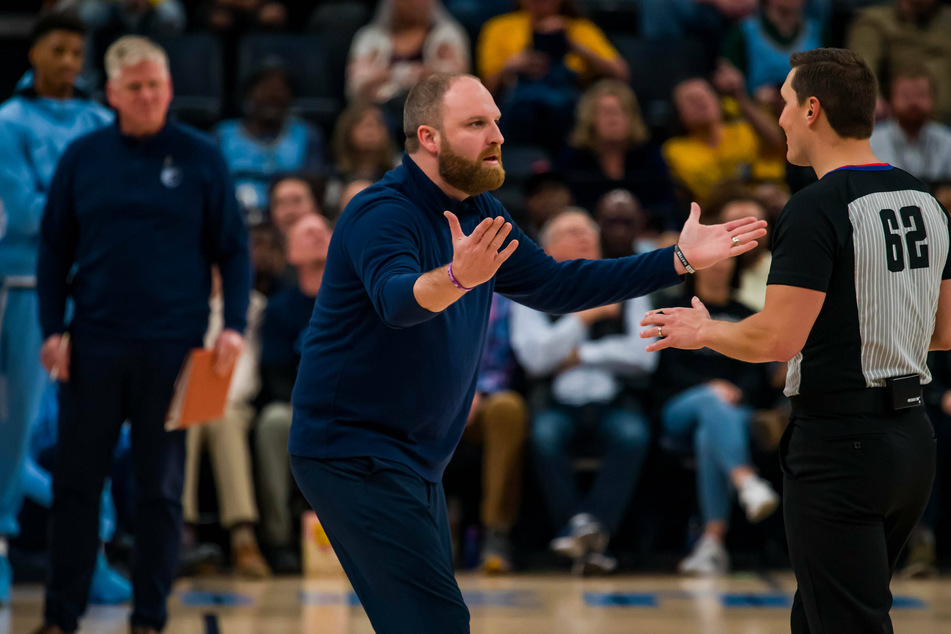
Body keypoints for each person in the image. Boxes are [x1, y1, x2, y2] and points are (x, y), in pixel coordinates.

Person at [287, 71, 766, 634]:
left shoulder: (480, 211)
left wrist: (677, 261)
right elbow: (398, 301)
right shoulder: (381, 212)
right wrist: (456, 278)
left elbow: (559, 287)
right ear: (429, 137)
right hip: (353, 449)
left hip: (411, 457)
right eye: (476, 124)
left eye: (495, 120)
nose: (497, 135)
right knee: (436, 623)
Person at [642, 48, 951, 632]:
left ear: (812, 110)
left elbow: (777, 340)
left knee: (847, 621)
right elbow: (943, 332)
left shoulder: (815, 207)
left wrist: (704, 330)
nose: (778, 118)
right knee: (816, 618)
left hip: (841, 444)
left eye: (784, 103)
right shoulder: (927, 201)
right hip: (912, 442)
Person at [33, 36, 250, 634]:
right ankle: (60, 617)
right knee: (77, 487)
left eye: (156, 85)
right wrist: (52, 330)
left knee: (160, 491)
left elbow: (232, 249)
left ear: (170, 88)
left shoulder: (202, 157)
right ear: (111, 93)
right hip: (94, 343)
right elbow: (53, 251)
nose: (149, 96)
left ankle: (149, 618)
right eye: (135, 87)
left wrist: (231, 324)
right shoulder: (83, 158)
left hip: (174, 348)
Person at [0, 10, 113, 605]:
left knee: (93, 426)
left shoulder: (100, 119)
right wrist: (90, 209)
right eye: (59, 50)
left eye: (77, 52)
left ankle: (92, 551)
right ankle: (0, 542)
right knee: (14, 428)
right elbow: (21, 213)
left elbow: (116, 203)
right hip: (21, 286)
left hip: (94, 293)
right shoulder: (8, 121)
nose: (69, 62)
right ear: (34, 54)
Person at [511, 209, 656, 576]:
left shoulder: (625, 280)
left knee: (633, 434)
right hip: (557, 402)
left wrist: (581, 354)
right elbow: (535, 358)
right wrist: (583, 318)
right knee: (544, 436)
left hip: (613, 401)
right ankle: (587, 532)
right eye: (572, 231)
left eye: (589, 230)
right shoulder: (528, 287)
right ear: (548, 247)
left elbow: (644, 355)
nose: (585, 236)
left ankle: (585, 528)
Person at [652, 253, 778, 576]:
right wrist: (712, 386)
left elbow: (756, 370)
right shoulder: (673, 309)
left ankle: (711, 543)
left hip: (733, 410)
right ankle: (746, 480)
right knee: (711, 401)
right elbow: (666, 368)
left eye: (726, 263)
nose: (719, 268)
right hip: (679, 407)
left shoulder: (746, 315)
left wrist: (738, 392)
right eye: (713, 263)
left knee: (709, 433)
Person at [256, 212, 331, 574]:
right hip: (295, 405)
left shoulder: (359, 297)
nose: (317, 234)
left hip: (350, 405)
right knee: (273, 422)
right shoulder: (280, 309)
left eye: (322, 230)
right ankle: (279, 539)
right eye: (306, 233)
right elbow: (275, 372)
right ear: (290, 255)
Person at [216, 64, 325, 225]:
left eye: (279, 94)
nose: (273, 96)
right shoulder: (223, 134)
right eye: (265, 91)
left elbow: (314, 186)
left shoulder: (307, 134)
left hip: (291, 220)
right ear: (249, 96)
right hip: (235, 218)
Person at [869, 64, 951, 187]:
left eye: (921, 95)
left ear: (934, 99)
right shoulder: (872, 142)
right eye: (906, 95)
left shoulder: (947, 141)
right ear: (890, 99)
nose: (913, 103)